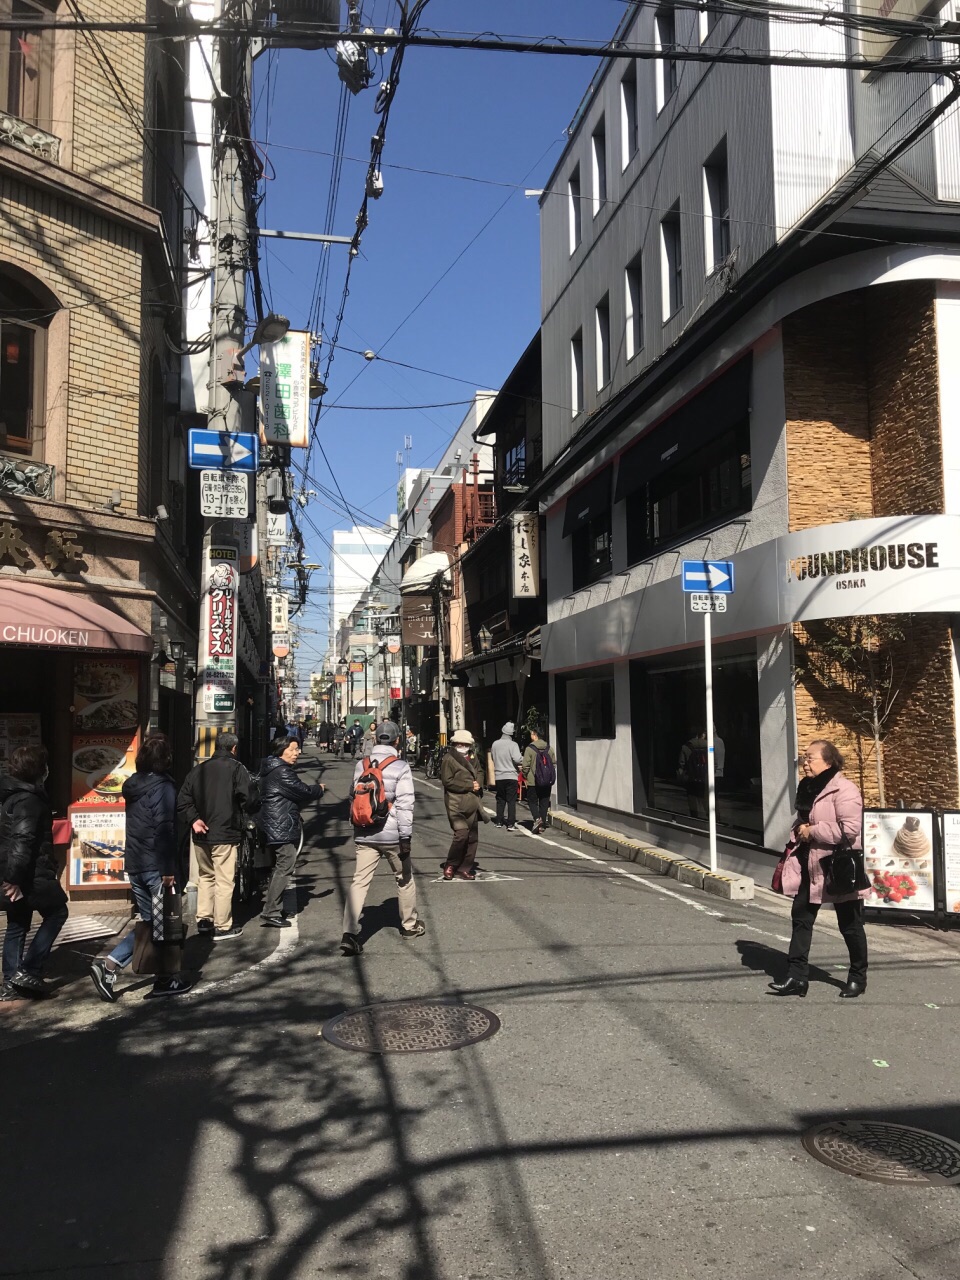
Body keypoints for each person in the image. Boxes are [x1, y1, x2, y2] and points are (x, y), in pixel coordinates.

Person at [90, 733, 193, 1001]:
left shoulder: (133, 785)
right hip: (156, 865)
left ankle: (110, 964)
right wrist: (168, 869)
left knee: (150, 922)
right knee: (165, 923)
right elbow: (164, 829)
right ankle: (165, 979)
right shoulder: (164, 788)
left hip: (135, 863)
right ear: (166, 760)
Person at [769, 739, 868, 999]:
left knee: (850, 925)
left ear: (828, 760)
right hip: (809, 864)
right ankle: (796, 977)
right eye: (804, 757)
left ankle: (858, 976)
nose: (805, 762)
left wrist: (811, 831)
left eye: (810, 757)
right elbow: (803, 822)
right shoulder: (808, 788)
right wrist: (799, 832)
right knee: (801, 918)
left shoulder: (844, 790)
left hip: (838, 867)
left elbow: (850, 830)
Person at [341, 720, 424, 955]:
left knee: (359, 881)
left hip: (365, 832)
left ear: (376, 739)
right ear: (398, 741)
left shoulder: (362, 764)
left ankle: (349, 932)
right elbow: (406, 805)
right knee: (404, 878)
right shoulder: (401, 766)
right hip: (392, 835)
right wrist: (405, 838)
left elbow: (354, 797)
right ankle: (409, 925)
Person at [0, 744, 68, 1001]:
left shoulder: (10, 795)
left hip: (14, 871)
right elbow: (23, 840)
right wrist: (14, 879)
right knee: (58, 911)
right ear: (39, 770)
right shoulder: (29, 800)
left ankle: (10, 983)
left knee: (17, 923)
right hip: (29, 873)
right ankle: (29, 970)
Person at [177, 731, 257, 941]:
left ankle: (204, 920)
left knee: (206, 876)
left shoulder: (198, 770)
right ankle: (223, 925)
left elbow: (183, 800)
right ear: (234, 749)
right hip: (226, 832)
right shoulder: (237, 769)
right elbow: (248, 799)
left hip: (201, 833)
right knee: (224, 879)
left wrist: (194, 819)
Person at [256, 735, 324, 927]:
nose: (297, 753)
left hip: (273, 822)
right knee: (286, 864)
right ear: (281, 750)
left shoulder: (273, 768)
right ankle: (270, 911)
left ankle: (272, 907)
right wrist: (318, 788)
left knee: (280, 865)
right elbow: (302, 791)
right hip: (280, 824)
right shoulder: (282, 772)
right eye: (293, 749)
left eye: (297, 749)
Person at [440, 728, 486, 880]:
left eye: (465, 744)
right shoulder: (449, 759)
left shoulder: (473, 757)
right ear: (454, 743)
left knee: (472, 837)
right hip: (455, 802)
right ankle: (451, 864)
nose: (462, 746)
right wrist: (469, 786)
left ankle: (465, 867)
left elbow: (480, 771)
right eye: (459, 743)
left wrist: (478, 784)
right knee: (461, 835)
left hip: (472, 802)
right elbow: (447, 781)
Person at [522, 727, 556, 834]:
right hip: (547, 781)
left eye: (532, 734)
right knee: (544, 801)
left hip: (533, 781)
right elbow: (554, 763)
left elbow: (525, 766)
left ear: (535, 735)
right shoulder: (549, 748)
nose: (531, 736)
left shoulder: (530, 749)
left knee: (532, 801)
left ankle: (537, 819)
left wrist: (525, 775)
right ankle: (542, 824)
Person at [491, 721, 523, 833]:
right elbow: (517, 759)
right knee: (511, 800)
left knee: (500, 799)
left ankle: (499, 821)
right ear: (512, 733)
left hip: (499, 776)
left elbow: (492, 757)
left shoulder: (495, 744)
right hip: (511, 776)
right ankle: (510, 824)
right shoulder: (513, 745)